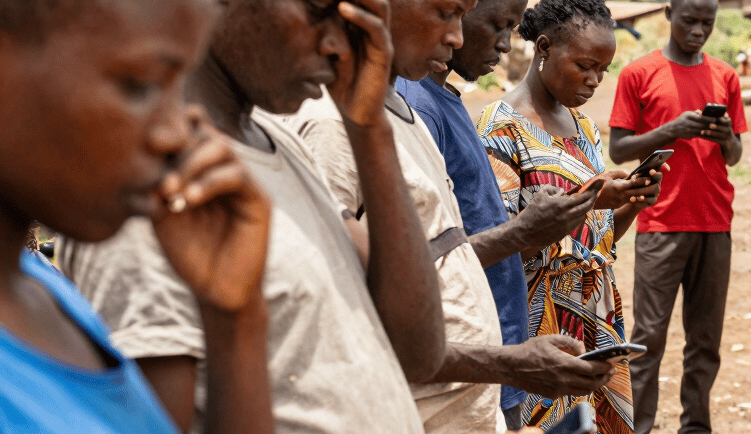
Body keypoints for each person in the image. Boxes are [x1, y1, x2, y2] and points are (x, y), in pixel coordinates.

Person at [58, 0, 449, 432]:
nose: (339, 45)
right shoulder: (155, 190)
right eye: (319, 11)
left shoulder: (277, 140)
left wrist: (370, 128)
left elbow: (419, 353)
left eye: (352, 23)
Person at [0, 0, 276, 432]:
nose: (175, 133)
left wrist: (234, 318)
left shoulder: (44, 293)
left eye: (180, 91)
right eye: (141, 85)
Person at [394, 0, 618, 428]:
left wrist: (605, 204)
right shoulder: (428, 109)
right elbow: (420, 264)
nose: (504, 43)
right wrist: (523, 232)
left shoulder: (443, 101)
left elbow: (597, 241)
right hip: (479, 348)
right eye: (497, 24)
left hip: (510, 335)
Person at [477, 0, 664, 430]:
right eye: (585, 65)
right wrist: (593, 198)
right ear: (544, 48)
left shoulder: (583, 128)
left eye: (603, 69)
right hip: (541, 323)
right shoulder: (501, 130)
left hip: (596, 314)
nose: (596, 80)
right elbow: (503, 246)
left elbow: (597, 242)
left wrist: (632, 201)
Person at [606, 0, 745, 432]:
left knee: (706, 343)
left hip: (715, 223)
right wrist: (671, 131)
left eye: (708, 22)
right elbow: (619, 148)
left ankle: (696, 427)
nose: (699, 30)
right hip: (660, 224)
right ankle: (639, 426)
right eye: (690, 20)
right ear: (670, 13)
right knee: (648, 339)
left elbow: (737, 154)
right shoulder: (638, 73)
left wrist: (724, 137)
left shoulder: (725, 76)